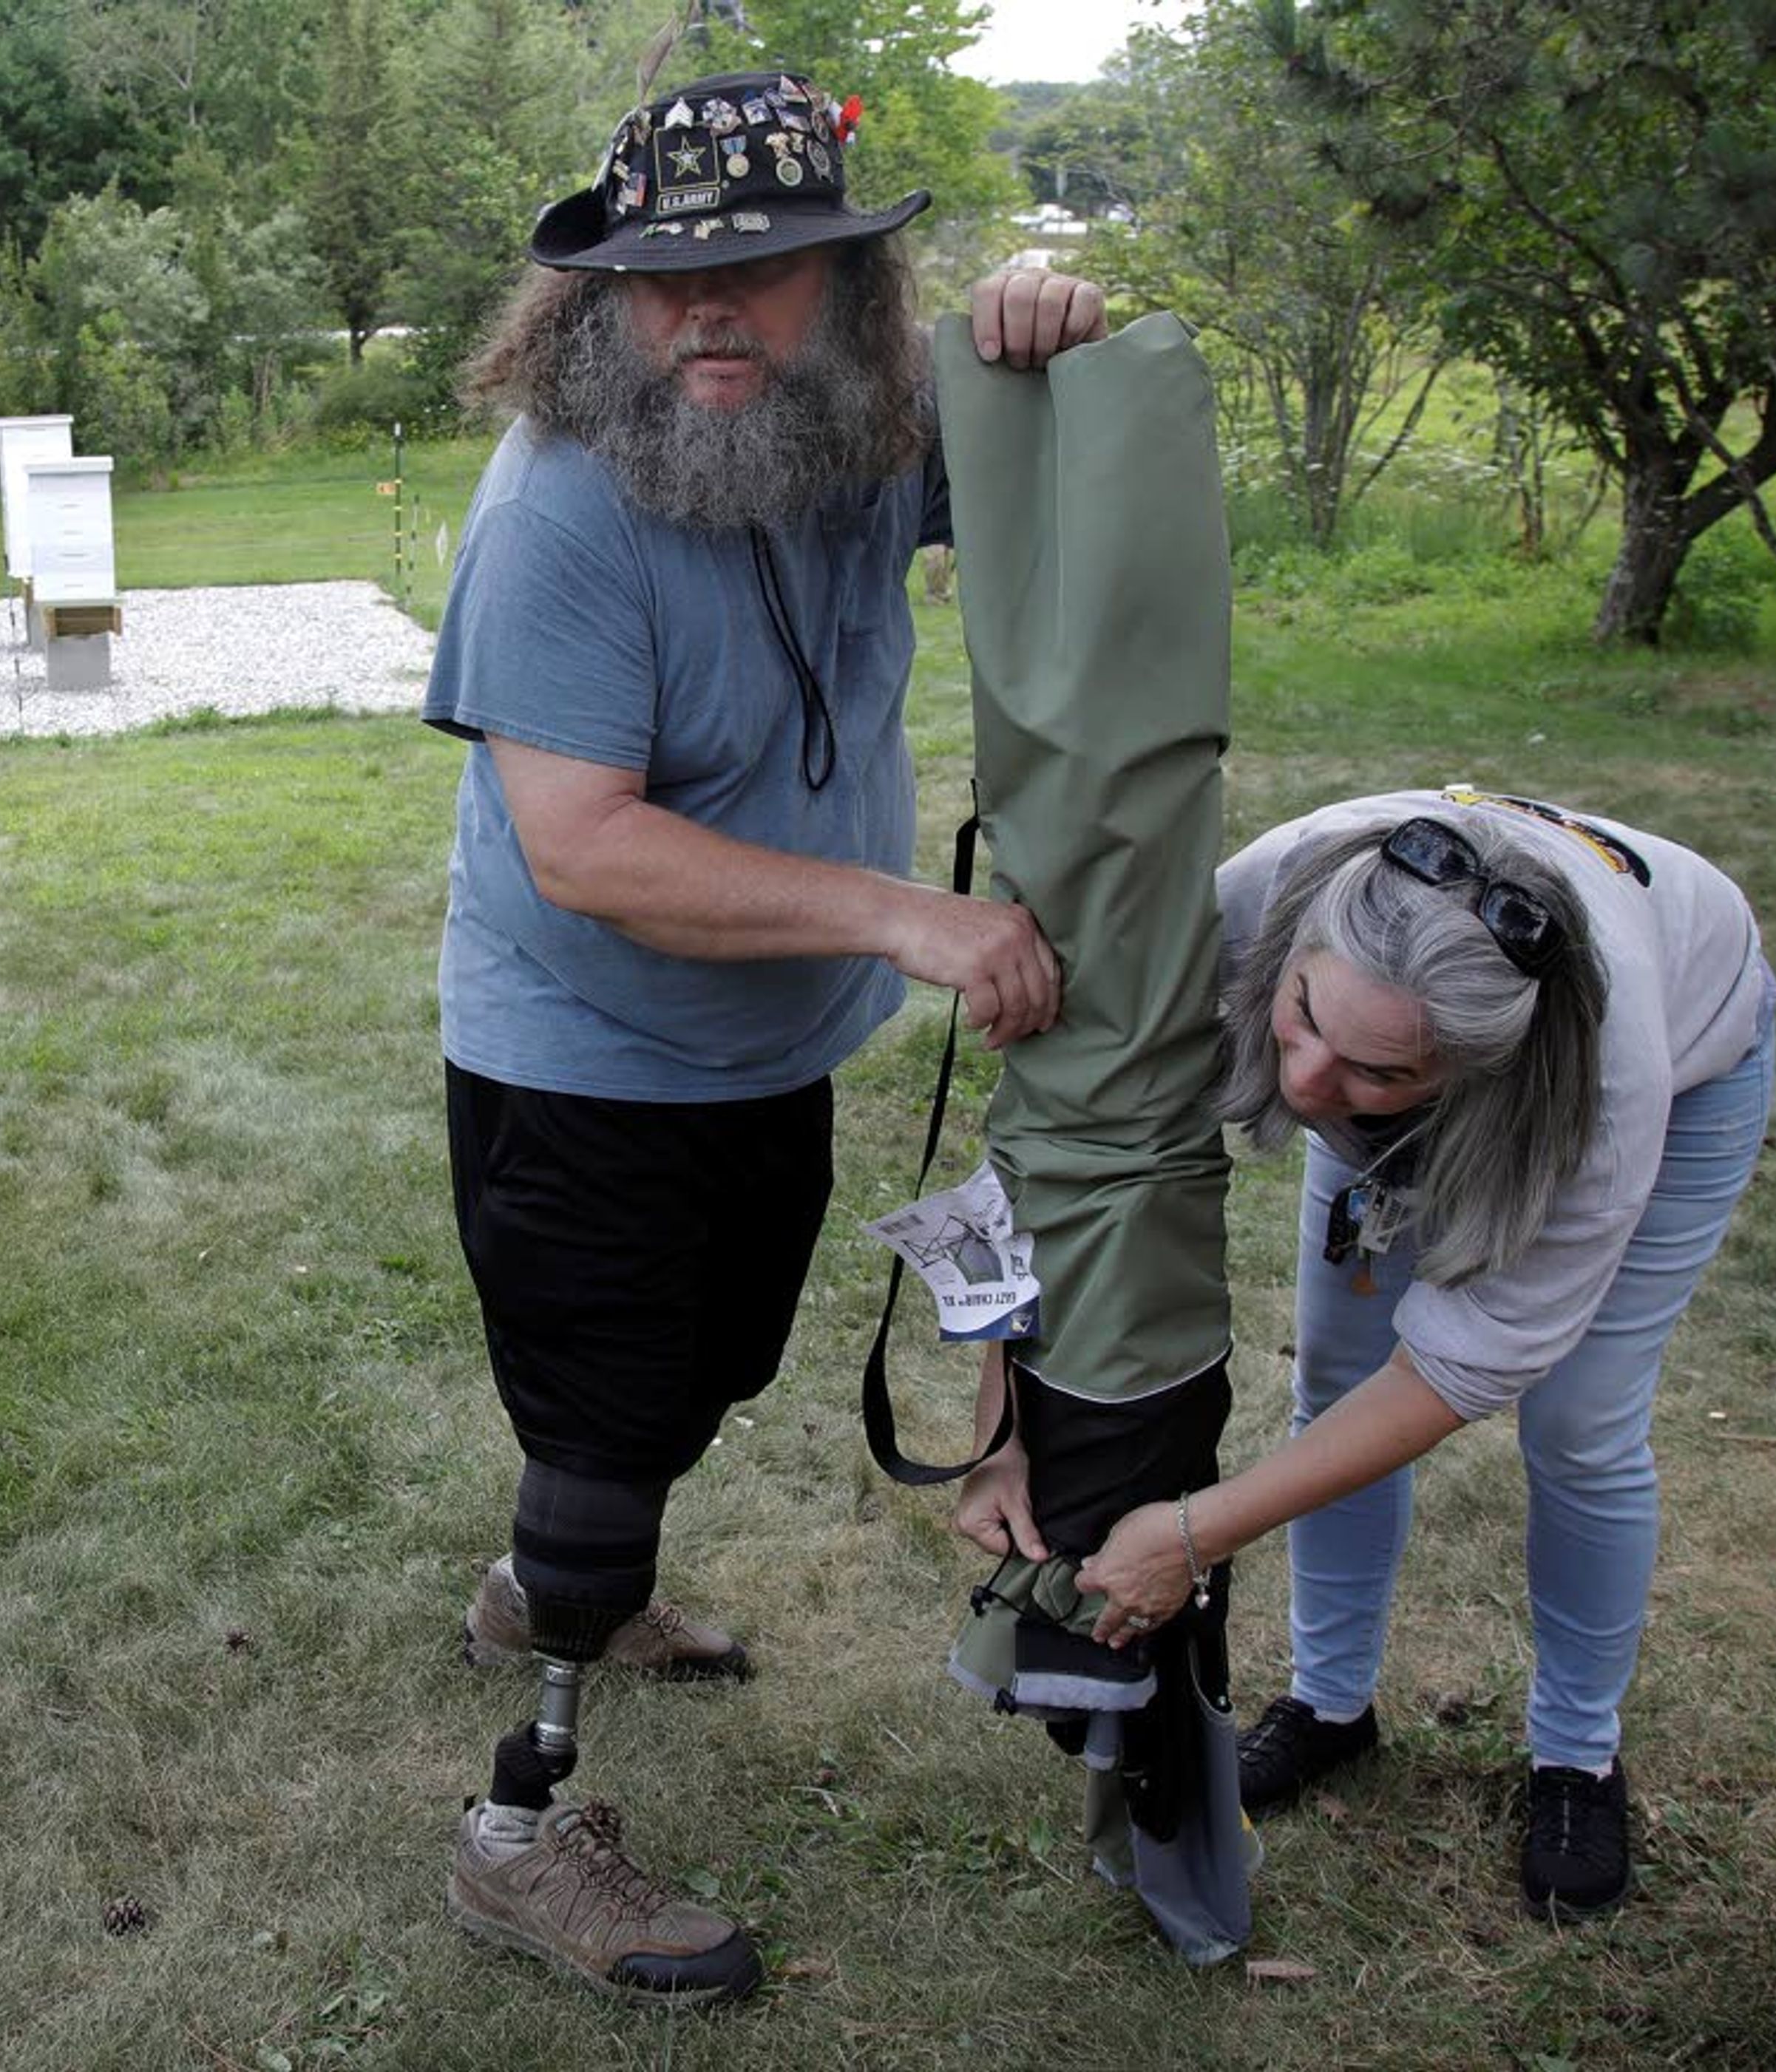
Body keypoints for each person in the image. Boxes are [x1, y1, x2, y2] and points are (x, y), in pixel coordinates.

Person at [421, 64, 1105, 2007]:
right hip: (577, 1050)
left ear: (851, 287)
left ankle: (558, 1579)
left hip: (769, 1049)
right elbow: (585, 844)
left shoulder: (870, 425)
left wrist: (1055, 317)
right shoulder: (561, 504)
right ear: (596, 302)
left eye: (767, 271)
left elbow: (1055, 433)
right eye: (662, 282)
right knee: (616, 1413)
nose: (708, 315)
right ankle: (522, 1826)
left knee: (703, 1372)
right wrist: (912, 917)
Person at [977, 787, 1775, 1923]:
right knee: (1335, 1388)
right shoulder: (1266, 899)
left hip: (1695, 1054)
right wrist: (999, 1420)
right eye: (1298, 1016)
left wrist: (1195, 1535)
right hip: (1414, 1032)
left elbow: (1456, 1373)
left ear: (1476, 1068)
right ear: (1297, 947)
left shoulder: (1601, 1088)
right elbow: (1061, 1144)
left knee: (1581, 1423)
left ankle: (1576, 1759)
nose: (1303, 1090)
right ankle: (1330, 1705)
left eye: (1377, 1076)